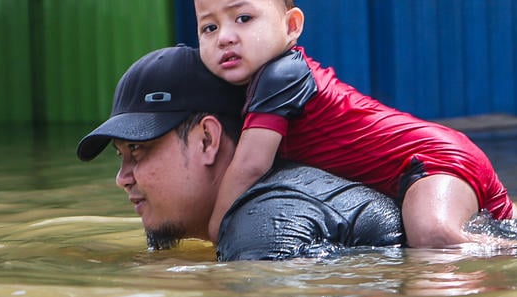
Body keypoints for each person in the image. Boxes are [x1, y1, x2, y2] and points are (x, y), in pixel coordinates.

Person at [194, 0, 517, 248]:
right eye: (209, 28)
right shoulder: (262, 82)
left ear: (291, 26)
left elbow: (251, 164)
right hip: (435, 156)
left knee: (432, 238)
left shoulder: (280, 75)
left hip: (428, 161)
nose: (224, 37)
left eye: (243, 18)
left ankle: (512, 253)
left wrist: (215, 225)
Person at [76, 45, 405, 261]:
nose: (122, 179)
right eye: (121, 155)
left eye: (138, 149)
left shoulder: (264, 220)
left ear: (207, 139)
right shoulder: (265, 207)